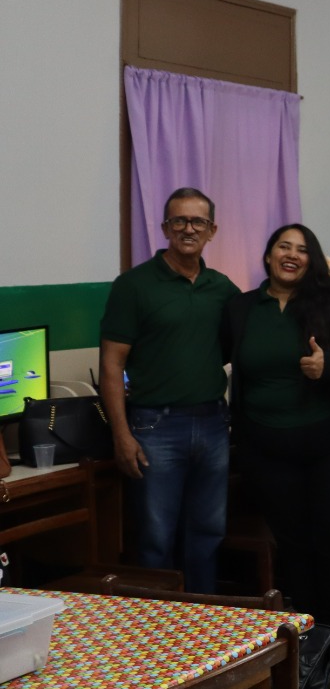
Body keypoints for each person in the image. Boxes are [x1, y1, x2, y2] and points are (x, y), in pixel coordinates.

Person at [223, 224, 330, 664]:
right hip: (267, 447)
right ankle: (308, 631)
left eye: (302, 249)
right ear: (269, 255)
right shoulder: (240, 308)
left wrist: (327, 368)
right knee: (294, 543)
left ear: (313, 260)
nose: (291, 255)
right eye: (283, 247)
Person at [101, 187, 239, 594]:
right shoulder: (133, 285)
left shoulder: (222, 288)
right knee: (155, 537)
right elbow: (111, 365)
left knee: (208, 533)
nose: (188, 229)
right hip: (154, 427)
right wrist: (121, 434)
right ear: (165, 228)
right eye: (179, 220)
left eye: (198, 221)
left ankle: (203, 620)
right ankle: (157, 626)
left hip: (213, 424)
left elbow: (246, 341)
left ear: (212, 230)